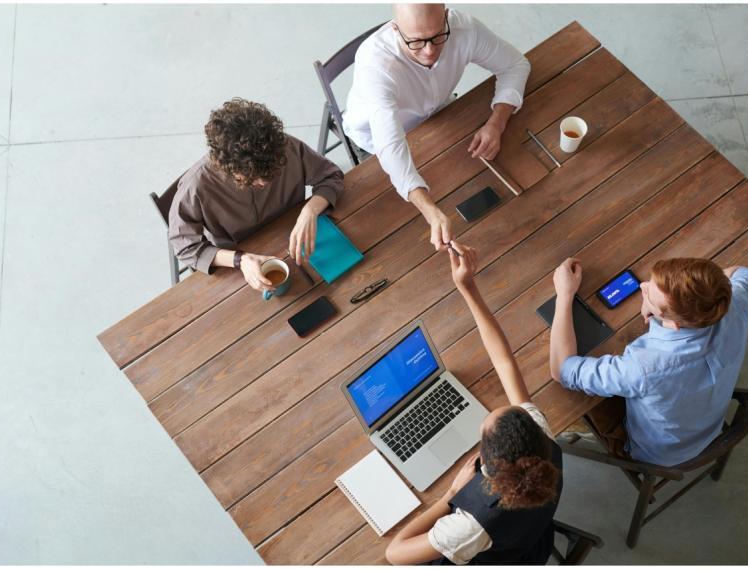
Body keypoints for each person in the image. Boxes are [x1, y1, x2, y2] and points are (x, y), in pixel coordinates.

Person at [385, 242, 562, 565]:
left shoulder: (471, 525)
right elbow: (505, 362)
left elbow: (394, 554)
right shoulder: (544, 445)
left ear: (486, 466)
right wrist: (467, 288)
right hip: (533, 540)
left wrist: (449, 495)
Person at [344, 4, 530, 252]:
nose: (430, 51)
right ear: (395, 29)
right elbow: (390, 145)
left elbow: (515, 65)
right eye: (417, 42)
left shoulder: (464, 29)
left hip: (440, 114)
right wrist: (430, 210)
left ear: (446, 17)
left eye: (437, 36)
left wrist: (496, 123)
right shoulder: (375, 65)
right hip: (375, 138)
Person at [549, 257, 748, 466]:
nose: (642, 285)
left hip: (655, 454)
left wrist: (565, 295)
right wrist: (700, 294)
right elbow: (746, 273)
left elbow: (562, 369)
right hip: (708, 426)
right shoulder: (735, 305)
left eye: (649, 294)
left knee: (565, 405)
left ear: (673, 323)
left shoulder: (643, 367)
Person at [168, 98, 344, 292]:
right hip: (240, 271)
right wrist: (239, 260)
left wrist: (310, 210)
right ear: (227, 166)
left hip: (299, 246)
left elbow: (331, 175)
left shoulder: (285, 147)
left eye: (271, 172)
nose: (264, 182)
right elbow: (184, 246)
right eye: (253, 177)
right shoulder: (196, 186)